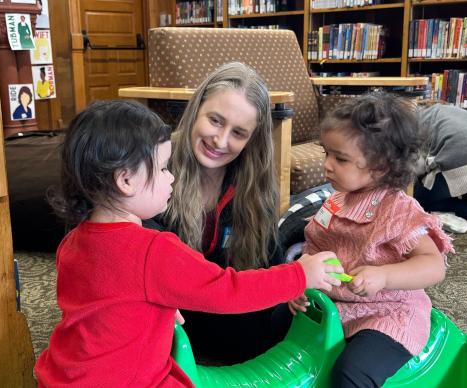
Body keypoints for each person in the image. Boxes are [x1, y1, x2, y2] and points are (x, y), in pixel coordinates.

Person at [33, 99, 343, 387]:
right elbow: (228, 290)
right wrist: (300, 274)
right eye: (164, 167)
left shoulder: (73, 240)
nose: (172, 178)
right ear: (126, 180)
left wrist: (157, 311)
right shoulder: (153, 249)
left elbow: (107, 306)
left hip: (63, 373)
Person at [288, 92, 454, 388]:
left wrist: (384, 275)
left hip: (389, 313)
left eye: (340, 159)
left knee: (352, 373)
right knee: (270, 319)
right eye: (327, 153)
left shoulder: (399, 211)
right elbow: (313, 250)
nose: (327, 165)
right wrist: (300, 281)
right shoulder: (334, 202)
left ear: (381, 168)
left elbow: (434, 266)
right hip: (336, 306)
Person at [157, 62, 287, 363]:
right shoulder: (156, 169)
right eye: (215, 120)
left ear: (252, 139)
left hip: (238, 326)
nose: (221, 140)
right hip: (175, 326)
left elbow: (269, 267)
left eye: (239, 133)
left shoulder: (255, 185)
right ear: (196, 109)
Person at [413, 101, 467, 227]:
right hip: (462, 157)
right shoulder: (448, 109)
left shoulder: (413, 119)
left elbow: (418, 166)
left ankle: (462, 209)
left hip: (462, 159)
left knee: (418, 200)